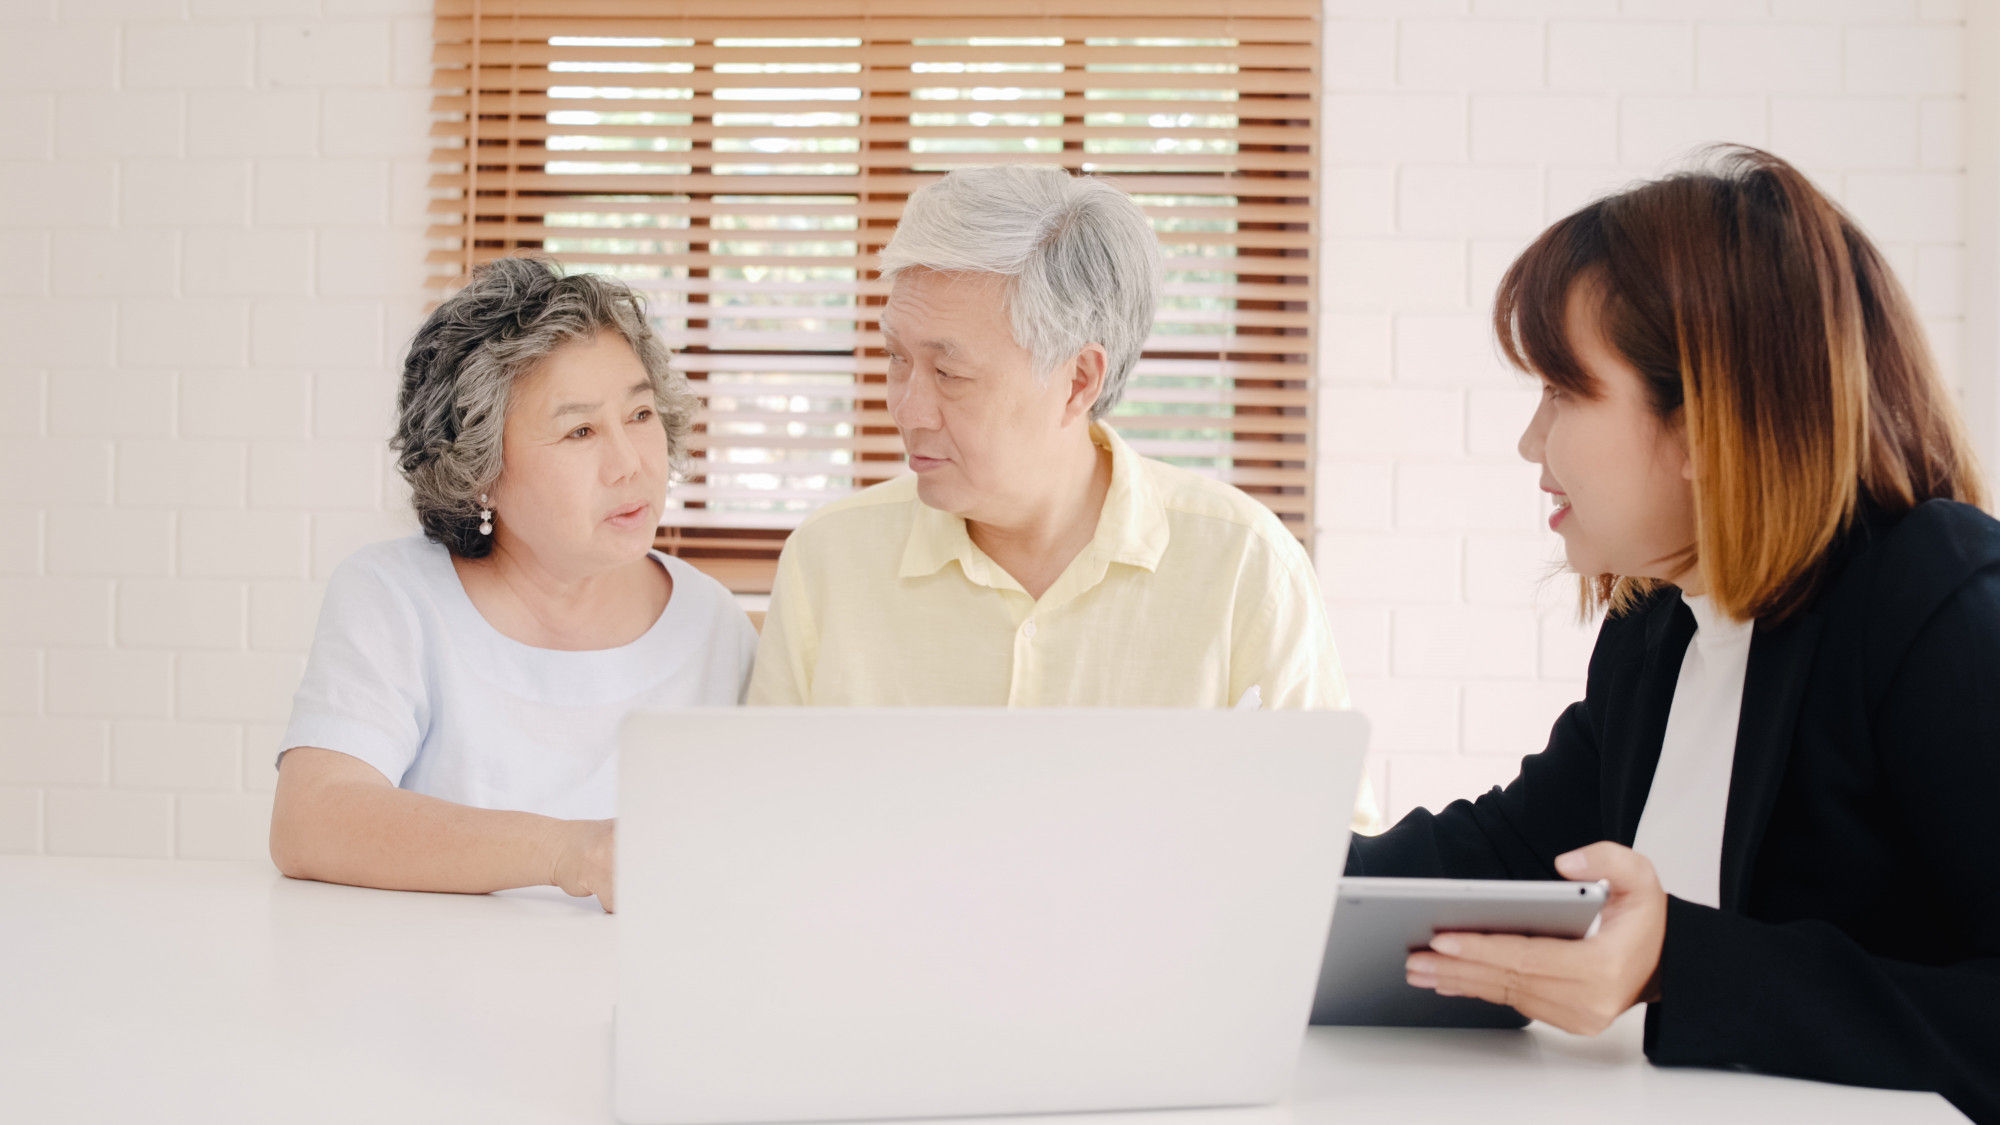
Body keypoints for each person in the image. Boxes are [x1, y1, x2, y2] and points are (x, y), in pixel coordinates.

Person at [1351, 146, 1999, 1122]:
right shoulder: (1658, 626)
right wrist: (1259, 864)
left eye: (1562, 391)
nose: (1530, 443)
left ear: (1702, 424)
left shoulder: (1934, 599)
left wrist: (1674, 961)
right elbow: (1506, 852)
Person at [746, 164, 1375, 830]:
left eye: (949, 372)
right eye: (896, 357)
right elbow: (762, 829)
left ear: (1078, 380)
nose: (906, 407)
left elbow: (1331, 853)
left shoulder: (1243, 567)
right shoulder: (828, 561)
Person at [268, 256, 757, 913]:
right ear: (480, 470)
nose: (630, 464)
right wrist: (570, 853)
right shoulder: (395, 597)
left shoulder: (711, 623)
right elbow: (310, 820)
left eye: (641, 414)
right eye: (580, 430)